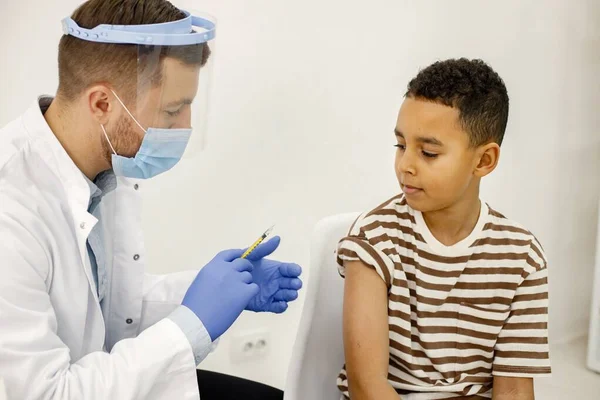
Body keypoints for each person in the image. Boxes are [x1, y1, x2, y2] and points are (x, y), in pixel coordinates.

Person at [0, 1, 303, 399]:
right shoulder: (12, 211)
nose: (185, 127)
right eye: (173, 110)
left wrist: (211, 289)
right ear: (102, 104)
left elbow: (111, 310)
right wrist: (194, 322)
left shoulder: (103, 170)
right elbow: (48, 394)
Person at [336, 58, 550, 399]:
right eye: (401, 145)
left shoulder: (522, 257)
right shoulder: (374, 238)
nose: (405, 165)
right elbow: (367, 387)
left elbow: (514, 391)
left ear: (484, 161)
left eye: (429, 153)